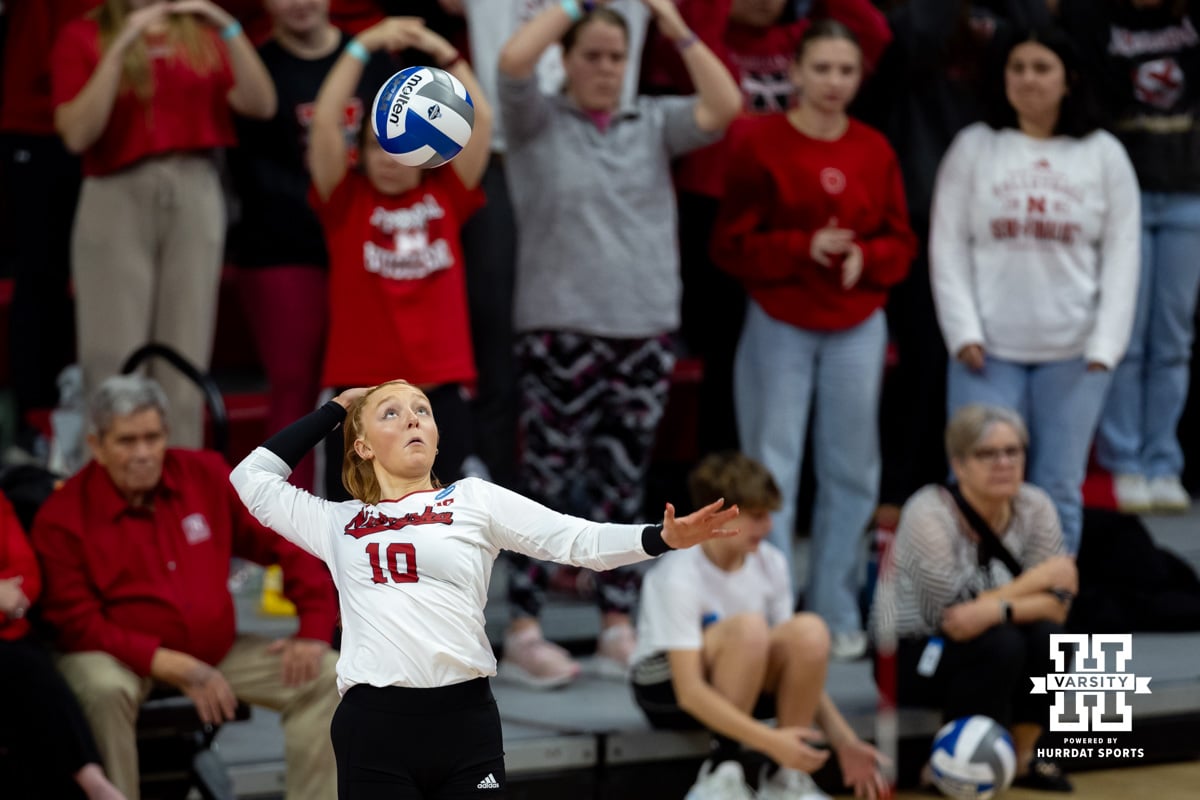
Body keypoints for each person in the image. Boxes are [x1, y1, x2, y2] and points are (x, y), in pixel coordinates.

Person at [228, 379, 743, 798]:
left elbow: (575, 539)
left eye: (422, 410)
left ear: (436, 435)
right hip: (375, 725)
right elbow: (251, 478)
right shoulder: (335, 522)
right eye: (390, 413)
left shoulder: (474, 500)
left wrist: (659, 537)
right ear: (362, 445)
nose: (412, 418)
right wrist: (336, 410)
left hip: (464, 720)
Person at [494, 0, 742, 688]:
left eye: (615, 57)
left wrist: (671, 22)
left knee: (621, 484)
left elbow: (725, 104)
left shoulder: (651, 120)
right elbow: (512, 62)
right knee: (544, 487)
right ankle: (523, 627)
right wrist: (578, 7)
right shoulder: (536, 117)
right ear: (567, 62)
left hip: (643, 330)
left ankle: (616, 622)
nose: (605, 69)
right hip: (559, 331)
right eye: (592, 56)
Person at [31, 375, 340, 800]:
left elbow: (285, 540)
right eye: (126, 441)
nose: (142, 453)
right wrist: (171, 664)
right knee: (103, 688)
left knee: (325, 677)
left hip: (216, 650)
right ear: (96, 445)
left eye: (152, 437)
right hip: (119, 658)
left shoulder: (205, 474)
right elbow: (76, 624)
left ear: (166, 436)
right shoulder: (63, 516)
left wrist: (313, 628)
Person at [711, 20, 916, 660]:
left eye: (845, 71)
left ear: (861, 78)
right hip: (780, 317)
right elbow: (730, 244)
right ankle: (771, 605)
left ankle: (833, 604)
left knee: (852, 469)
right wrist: (803, 247)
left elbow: (900, 241)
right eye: (821, 69)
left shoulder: (875, 148)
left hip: (856, 322)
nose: (833, 83)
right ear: (794, 73)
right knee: (774, 466)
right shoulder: (757, 143)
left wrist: (868, 257)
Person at [929, 24, 1141, 554]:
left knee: (1057, 491)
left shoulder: (1103, 153)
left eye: (1041, 68)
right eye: (1017, 68)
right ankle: (977, 613)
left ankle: (1052, 616)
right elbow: (947, 246)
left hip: (1074, 356)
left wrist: (1106, 346)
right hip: (987, 353)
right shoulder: (975, 147)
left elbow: (1123, 256)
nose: (1028, 79)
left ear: (1068, 78)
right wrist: (962, 332)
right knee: (977, 491)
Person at [50, 0, 276, 450]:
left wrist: (226, 25)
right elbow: (77, 133)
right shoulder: (83, 37)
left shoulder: (199, 36)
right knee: (112, 354)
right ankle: (111, 486)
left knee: (185, 353)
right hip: (115, 190)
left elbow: (260, 103)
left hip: (194, 187)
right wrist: (122, 46)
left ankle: (181, 484)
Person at [631, 451, 890, 800]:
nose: (768, 527)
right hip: (666, 691)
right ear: (717, 515)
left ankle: (787, 780)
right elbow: (689, 691)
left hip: (742, 678)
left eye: (769, 515)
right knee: (749, 630)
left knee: (809, 631)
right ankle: (721, 769)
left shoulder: (771, 563)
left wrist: (844, 741)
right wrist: (772, 742)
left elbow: (800, 666)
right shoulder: (678, 574)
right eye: (756, 516)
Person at [308, 15, 491, 498]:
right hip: (358, 395)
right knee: (351, 528)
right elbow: (326, 122)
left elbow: (483, 120)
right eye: (376, 147)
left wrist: (436, 46)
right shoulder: (346, 201)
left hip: (439, 391)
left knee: (443, 525)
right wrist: (363, 45)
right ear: (361, 153)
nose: (388, 160)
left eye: (401, 148)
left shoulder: (448, 192)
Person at [226, 0, 394, 491]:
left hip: (363, 249)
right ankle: (283, 527)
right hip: (283, 249)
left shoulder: (376, 63)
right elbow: (246, 170)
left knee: (374, 387)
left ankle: (374, 518)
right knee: (294, 388)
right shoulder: (259, 67)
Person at [869, 404, 1079, 792]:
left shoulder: (1036, 505)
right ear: (960, 464)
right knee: (1001, 643)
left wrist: (1000, 606)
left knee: (1051, 638)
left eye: (1012, 451)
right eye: (987, 453)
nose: (1003, 462)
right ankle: (949, 765)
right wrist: (1036, 580)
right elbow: (954, 617)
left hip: (985, 633)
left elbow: (1060, 603)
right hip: (907, 652)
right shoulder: (927, 511)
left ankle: (1019, 759)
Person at [1057, 0, 1200, 514]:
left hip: (1189, 191)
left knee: (1173, 338)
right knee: (1126, 335)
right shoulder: (1095, 18)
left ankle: (1165, 462)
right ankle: (1123, 462)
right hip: (1123, 194)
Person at [0, 0, 98, 461]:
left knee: (109, 278)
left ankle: (107, 408)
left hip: (110, 122)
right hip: (35, 122)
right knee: (40, 276)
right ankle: (35, 418)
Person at [0, 492, 125, 800]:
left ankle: (92, 781)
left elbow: (26, 572)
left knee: (27, 665)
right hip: (8, 633)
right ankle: (90, 778)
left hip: (12, 635)